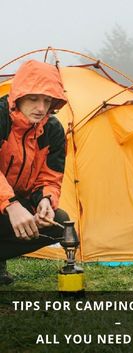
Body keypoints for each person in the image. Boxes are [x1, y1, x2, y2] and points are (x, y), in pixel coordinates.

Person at [0, 59, 69, 284]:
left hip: (15, 202)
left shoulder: (52, 129)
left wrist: (45, 201)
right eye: (34, 99)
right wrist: (11, 205)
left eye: (47, 101)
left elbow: (50, 176)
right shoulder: (1, 118)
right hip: (7, 202)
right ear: (19, 96)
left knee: (59, 223)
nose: (41, 108)